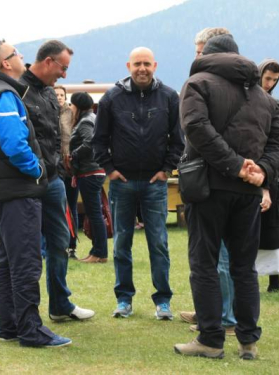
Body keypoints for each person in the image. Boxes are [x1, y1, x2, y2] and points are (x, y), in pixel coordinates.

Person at [174, 34, 279, 360]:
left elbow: (196, 128)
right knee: (244, 267)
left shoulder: (196, 84)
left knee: (205, 264)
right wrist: (262, 171)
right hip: (249, 193)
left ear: (208, 55)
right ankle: (248, 342)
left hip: (208, 187)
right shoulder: (263, 97)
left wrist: (238, 166)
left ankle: (210, 340)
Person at [0, 40, 71, 347]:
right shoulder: (4, 94)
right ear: (5, 63)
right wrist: (38, 169)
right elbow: (14, 144)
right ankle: (31, 330)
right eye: (16, 53)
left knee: (5, 262)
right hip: (17, 192)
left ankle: (9, 326)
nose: (22, 57)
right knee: (26, 262)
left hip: (0, 192)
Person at [93, 47, 184, 320]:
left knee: (159, 243)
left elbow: (178, 139)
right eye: (137, 64)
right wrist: (109, 169)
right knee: (121, 243)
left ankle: (163, 301)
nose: (142, 68)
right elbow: (99, 138)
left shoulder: (169, 97)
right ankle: (124, 299)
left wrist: (167, 169)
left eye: (146, 63)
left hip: (155, 183)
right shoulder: (112, 98)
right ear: (128, 66)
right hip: (122, 183)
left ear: (155, 65)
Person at [20, 40, 94, 322]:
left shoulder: (50, 93)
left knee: (61, 240)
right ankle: (26, 312)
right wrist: (36, 169)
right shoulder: (18, 90)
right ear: (49, 62)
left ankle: (60, 304)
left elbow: (54, 138)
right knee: (27, 248)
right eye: (63, 68)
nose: (65, 74)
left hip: (53, 180)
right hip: (28, 181)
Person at [179, 26, 236, 337]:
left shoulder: (218, 87)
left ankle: (224, 318)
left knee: (221, 256)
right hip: (209, 174)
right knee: (209, 256)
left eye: (201, 52)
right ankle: (209, 311)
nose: (197, 57)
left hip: (218, 178)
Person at [255, 58, 279, 292]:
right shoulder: (246, 100)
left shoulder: (277, 105)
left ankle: (274, 280)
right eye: (267, 78)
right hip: (252, 170)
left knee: (273, 228)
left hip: (272, 172)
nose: (269, 83)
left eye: (274, 80)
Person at [67, 92, 107, 263]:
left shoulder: (85, 121)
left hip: (90, 171)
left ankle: (100, 252)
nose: (70, 108)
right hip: (93, 171)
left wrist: (72, 155)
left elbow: (89, 142)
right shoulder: (92, 117)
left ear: (78, 106)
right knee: (94, 212)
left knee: (94, 213)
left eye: (72, 104)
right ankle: (97, 251)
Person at [55, 85, 78, 259]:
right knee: (56, 207)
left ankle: (72, 245)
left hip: (70, 167)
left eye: (62, 95)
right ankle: (56, 244)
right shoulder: (48, 112)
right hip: (54, 166)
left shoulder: (71, 114)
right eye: (56, 94)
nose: (59, 97)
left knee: (71, 206)